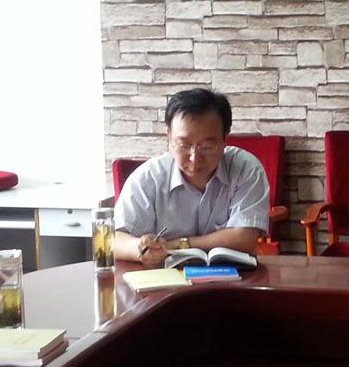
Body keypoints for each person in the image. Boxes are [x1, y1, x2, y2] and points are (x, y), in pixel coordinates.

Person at [114, 88, 269, 267]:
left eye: (207, 147)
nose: (194, 158)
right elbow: (114, 240)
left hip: (232, 279)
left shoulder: (246, 169)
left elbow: (244, 238)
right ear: (169, 137)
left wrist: (178, 244)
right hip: (164, 279)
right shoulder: (149, 177)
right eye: (184, 145)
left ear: (225, 138)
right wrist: (141, 249)